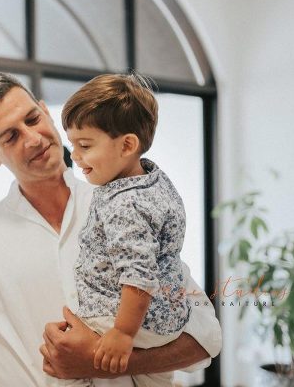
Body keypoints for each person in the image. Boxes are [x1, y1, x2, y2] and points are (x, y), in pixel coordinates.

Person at [0, 73, 221, 386]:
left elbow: (205, 338)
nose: (32, 138)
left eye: (32, 119)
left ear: (46, 111)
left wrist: (101, 363)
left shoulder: (128, 211)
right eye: (10, 137)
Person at [58, 74, 190, 387]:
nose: (75, 156)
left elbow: (138, 276)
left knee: (66, 364)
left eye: (85, 145)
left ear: (127, 144)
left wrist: (122, 333)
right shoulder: (153, 179)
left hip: (122, 316)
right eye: (72, 144)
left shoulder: (123, 204)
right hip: (168, 315)